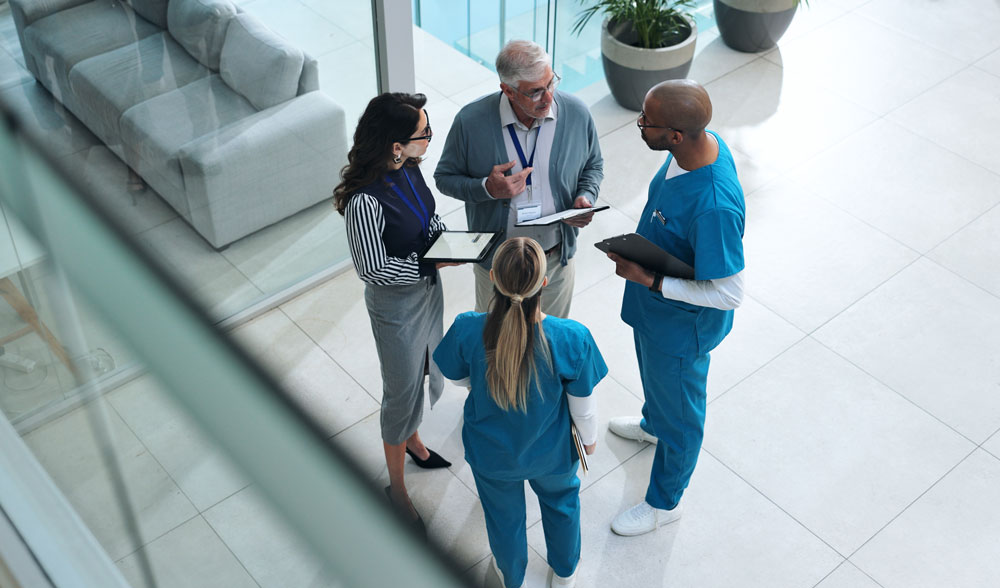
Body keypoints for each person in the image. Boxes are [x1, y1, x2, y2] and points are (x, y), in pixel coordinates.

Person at [605, 80, 746, 536]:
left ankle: (665, 503)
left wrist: (653, 280)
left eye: (647, 122)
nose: (640, 125)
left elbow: (728, 293)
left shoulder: (715, 205)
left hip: (680, 328)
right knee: (654, 383)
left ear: (676, 136)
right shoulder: (693, 147)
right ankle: (652, 425)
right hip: (654, 308)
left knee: (682, 419)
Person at [433, 237, 607, 588]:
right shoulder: (573, 337)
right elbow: (583, 407)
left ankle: (512, 577)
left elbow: (455, 377)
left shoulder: (467, 327)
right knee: (561, 505)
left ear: (494, 277)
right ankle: (565, 572)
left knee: (503, 518)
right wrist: (587, 442)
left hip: (491, 454)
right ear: (544, 283)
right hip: (553, 453)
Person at [334, 92, 456, 533]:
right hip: (397, 305)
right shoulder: (364, 202)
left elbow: (430, 220)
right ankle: (397, 489)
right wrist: (430, 261)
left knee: (424, 367)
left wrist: (450, 242)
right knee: (400, 391)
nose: (429, 138)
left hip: (427, 290)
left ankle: (414, 442)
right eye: (423, 133)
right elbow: (374, 269)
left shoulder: (410, 169)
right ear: (395, 144)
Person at [434, 39, 604, 319]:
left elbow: (593, 164)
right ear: (508, 91)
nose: (548, 97)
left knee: (549, 344)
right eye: (535, 92)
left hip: (554, 261)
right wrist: (486, 189)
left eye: (551, 83)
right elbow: (444, 178)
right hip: (496, 263)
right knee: (493, 344)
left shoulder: (575, 113)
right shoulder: (470, 121)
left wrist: (586, 195)